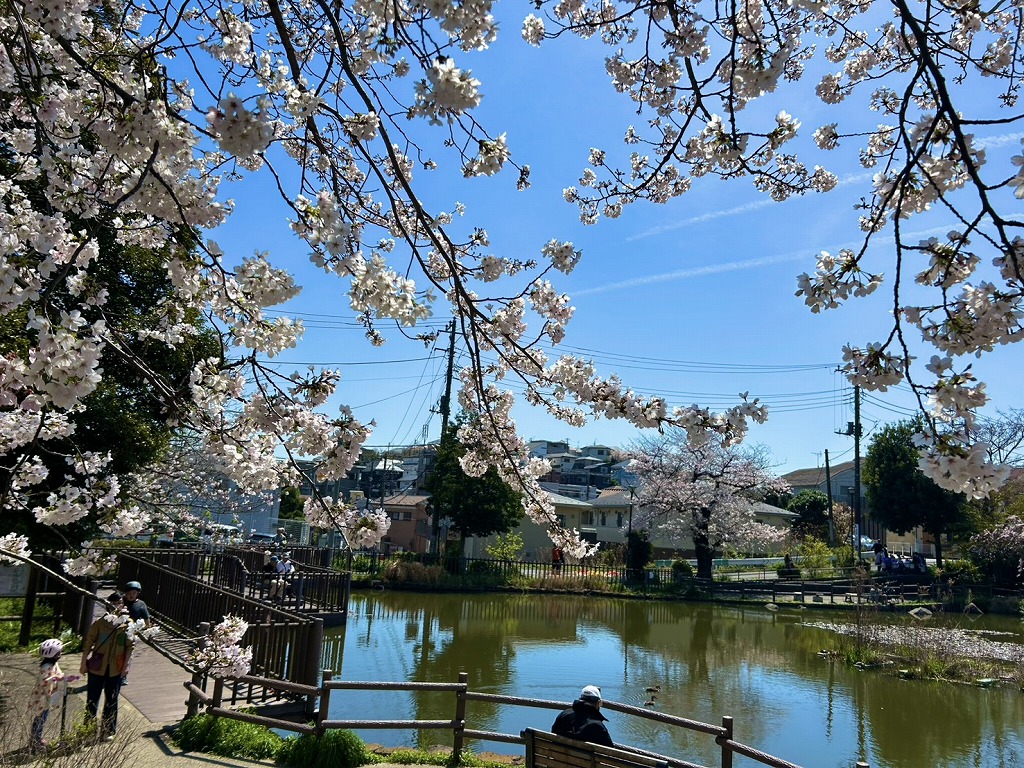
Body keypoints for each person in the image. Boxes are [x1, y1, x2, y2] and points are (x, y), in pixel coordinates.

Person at [80, 592, 133, 741]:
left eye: (118, 603)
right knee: (92, 700)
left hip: (116, 667)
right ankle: (88, 731)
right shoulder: (100, 623)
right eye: (113, 604)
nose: (115, 606)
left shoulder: (127, 624)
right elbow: (89, 642)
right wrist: (83, 662)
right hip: (97, 666)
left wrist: (126, 666)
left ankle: (108, 730)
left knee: (112, 700)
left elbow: (130, 645)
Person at [29, 639, 67, 751]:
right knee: (40, 718)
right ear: (53, 654)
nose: (60, 654)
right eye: (58, 652)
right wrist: (57, 677)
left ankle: (37, 738)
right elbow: (44, 681)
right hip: (41, 697)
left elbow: (58, 672)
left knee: (43, 718)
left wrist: (61, 675)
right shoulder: (45, 667)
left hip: (48, 696)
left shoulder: (54, 664)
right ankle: (35, 740)